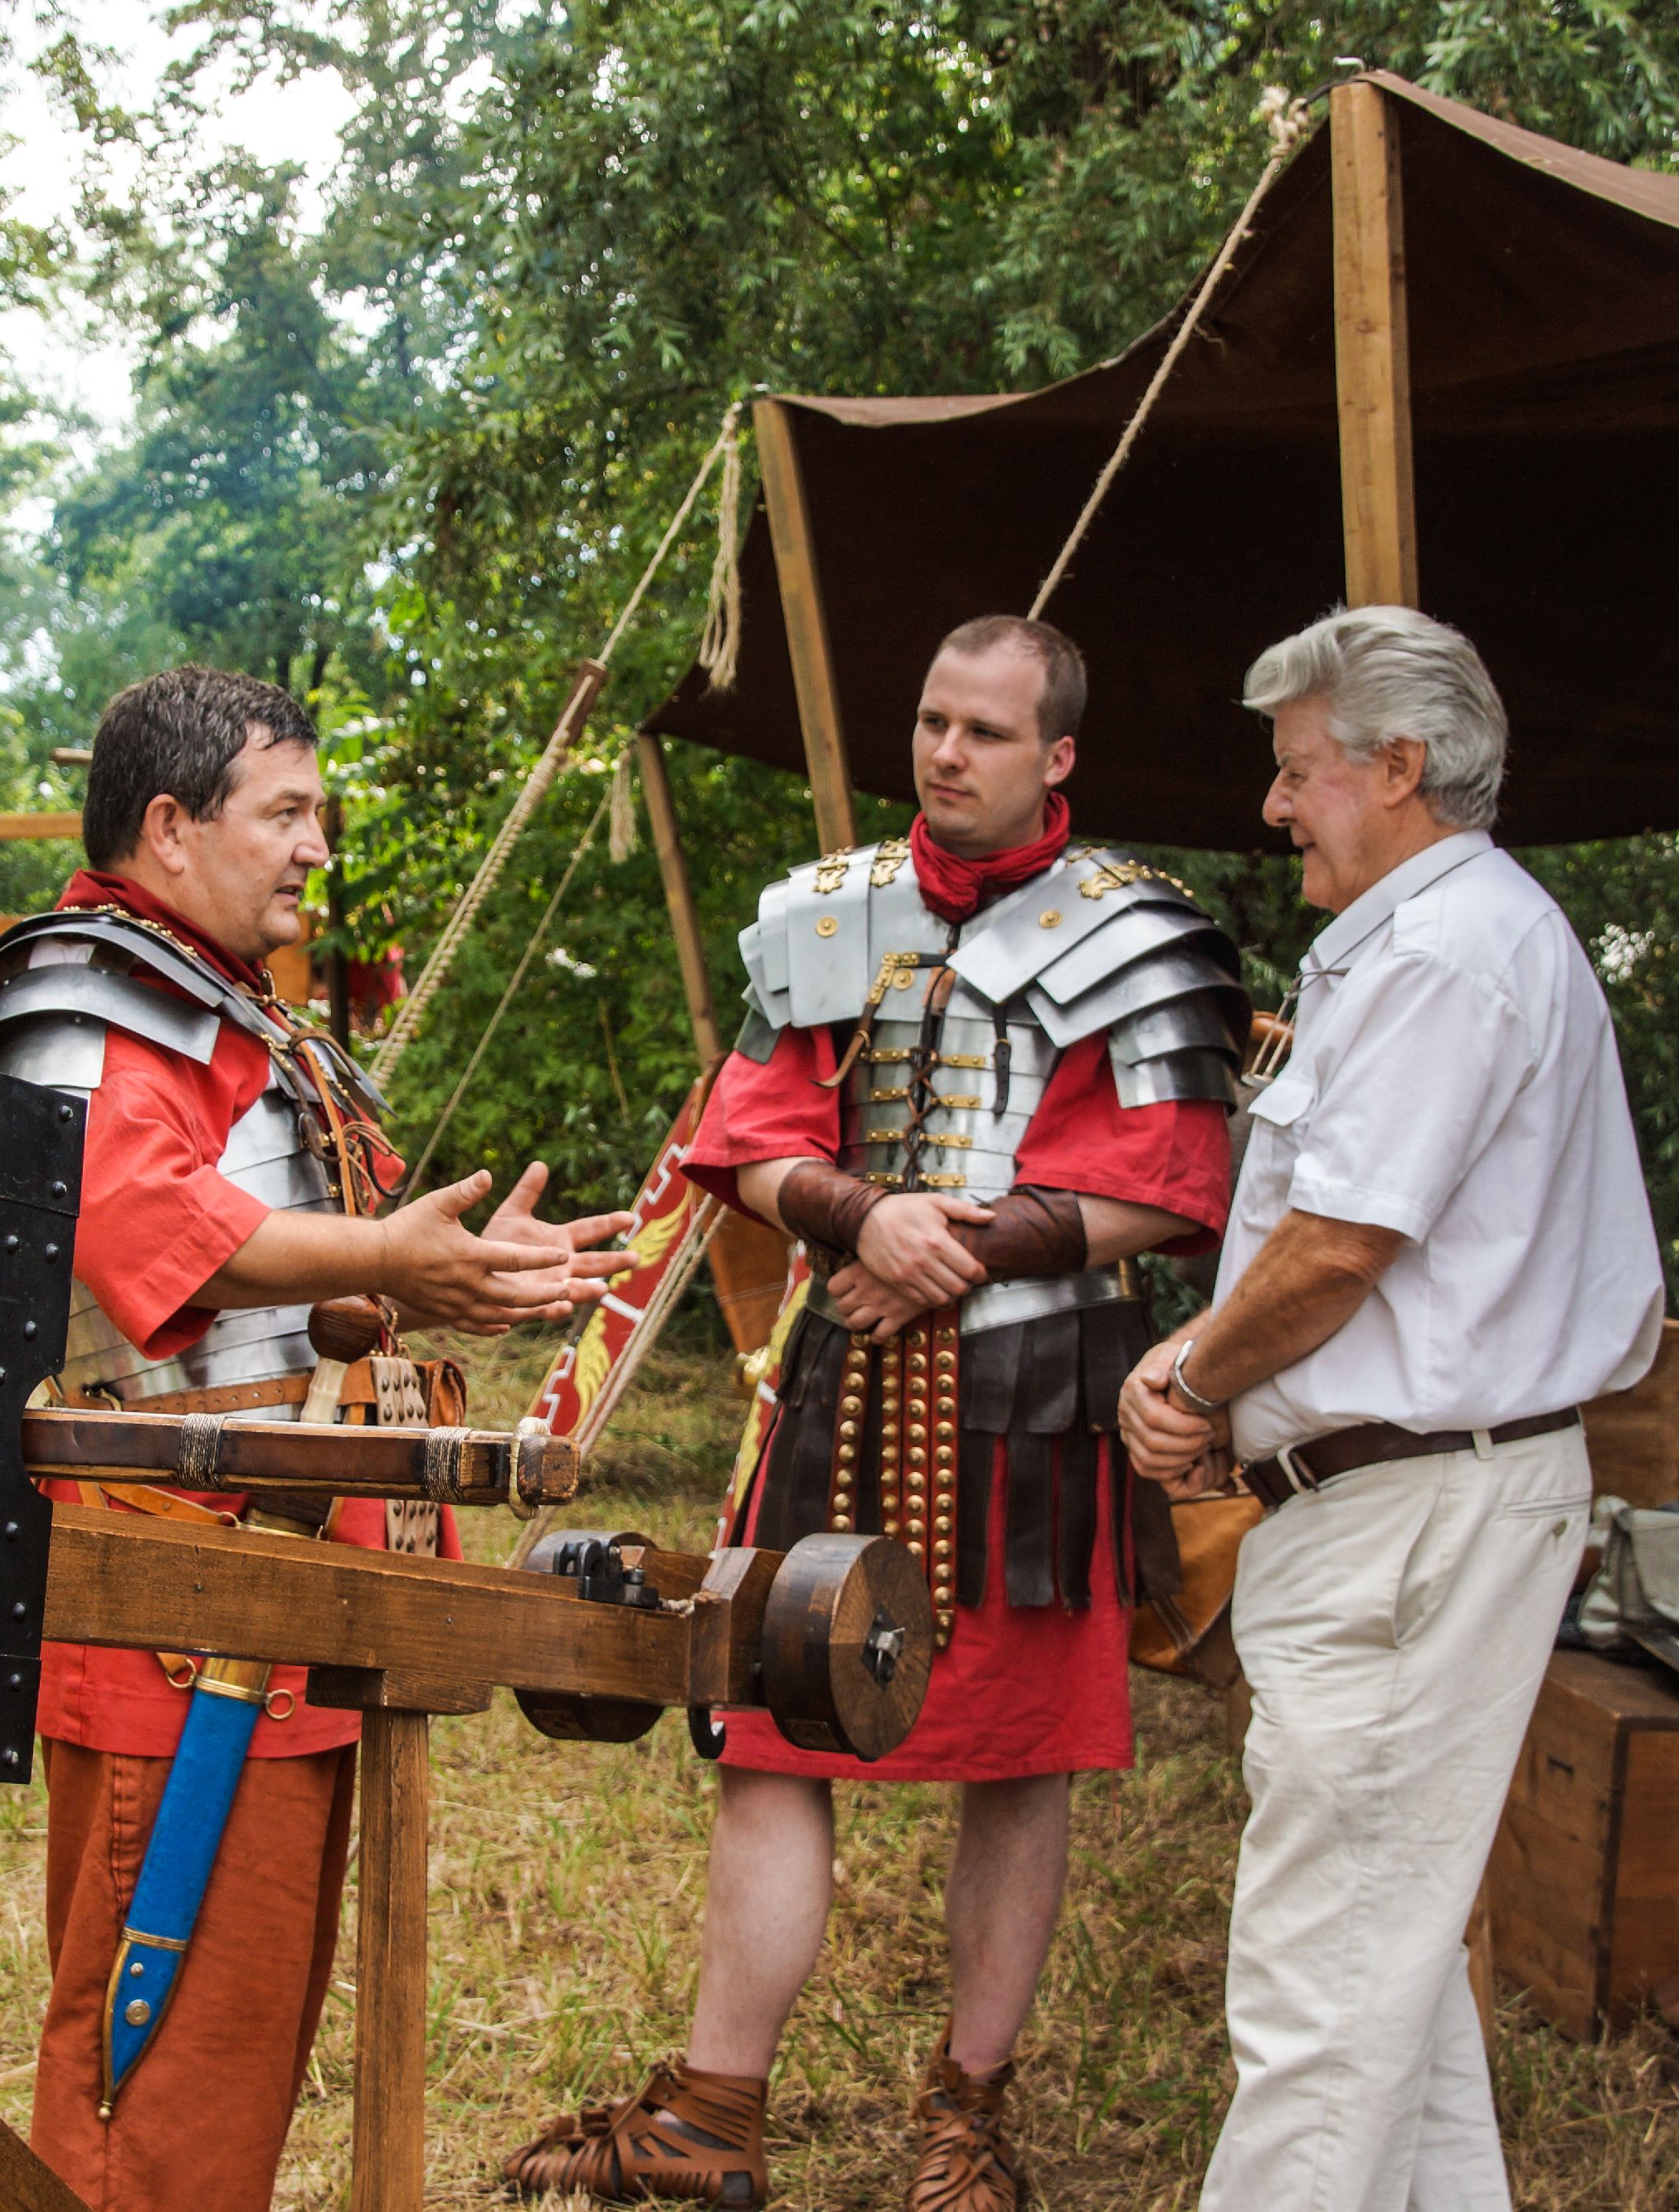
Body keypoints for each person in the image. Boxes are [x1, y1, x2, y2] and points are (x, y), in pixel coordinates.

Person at [499, 616, 1245, 2212]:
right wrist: (859, 1214)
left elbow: (1167, 1184)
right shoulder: (827, 915)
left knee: (1019, 1759)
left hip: (1037, 1397)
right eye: (927, 722)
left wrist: (948, 1247)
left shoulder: (1138, 932)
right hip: (838, 1383)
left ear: (1055, 755)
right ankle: (710, 2113)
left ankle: (961, 2120)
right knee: (774, 1729)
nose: (942, 754)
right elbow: (743, 1141)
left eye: (982, 731)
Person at [0, 664, 636, 2212]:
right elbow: (143, 1225)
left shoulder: (216, 996)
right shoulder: (91, 991)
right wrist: (391, 1256)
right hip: (181, 1588)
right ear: (169, 826)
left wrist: (440, 1282)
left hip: (280, 1568)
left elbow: (294, 1276)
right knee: (165, 2031)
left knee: (245, 2014)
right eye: (288, 811)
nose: (316, 845)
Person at [1116, 605, 1662, 2212]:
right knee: (1385, 1960)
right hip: (1401, 1496)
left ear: (1398, 766)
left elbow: (1343, 1243)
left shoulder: (1441, 949)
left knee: (1320, 1978)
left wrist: (1191, 1371)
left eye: (1296, 773)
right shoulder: (1433, 935)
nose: (1274, 807)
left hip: (1417, 1506)